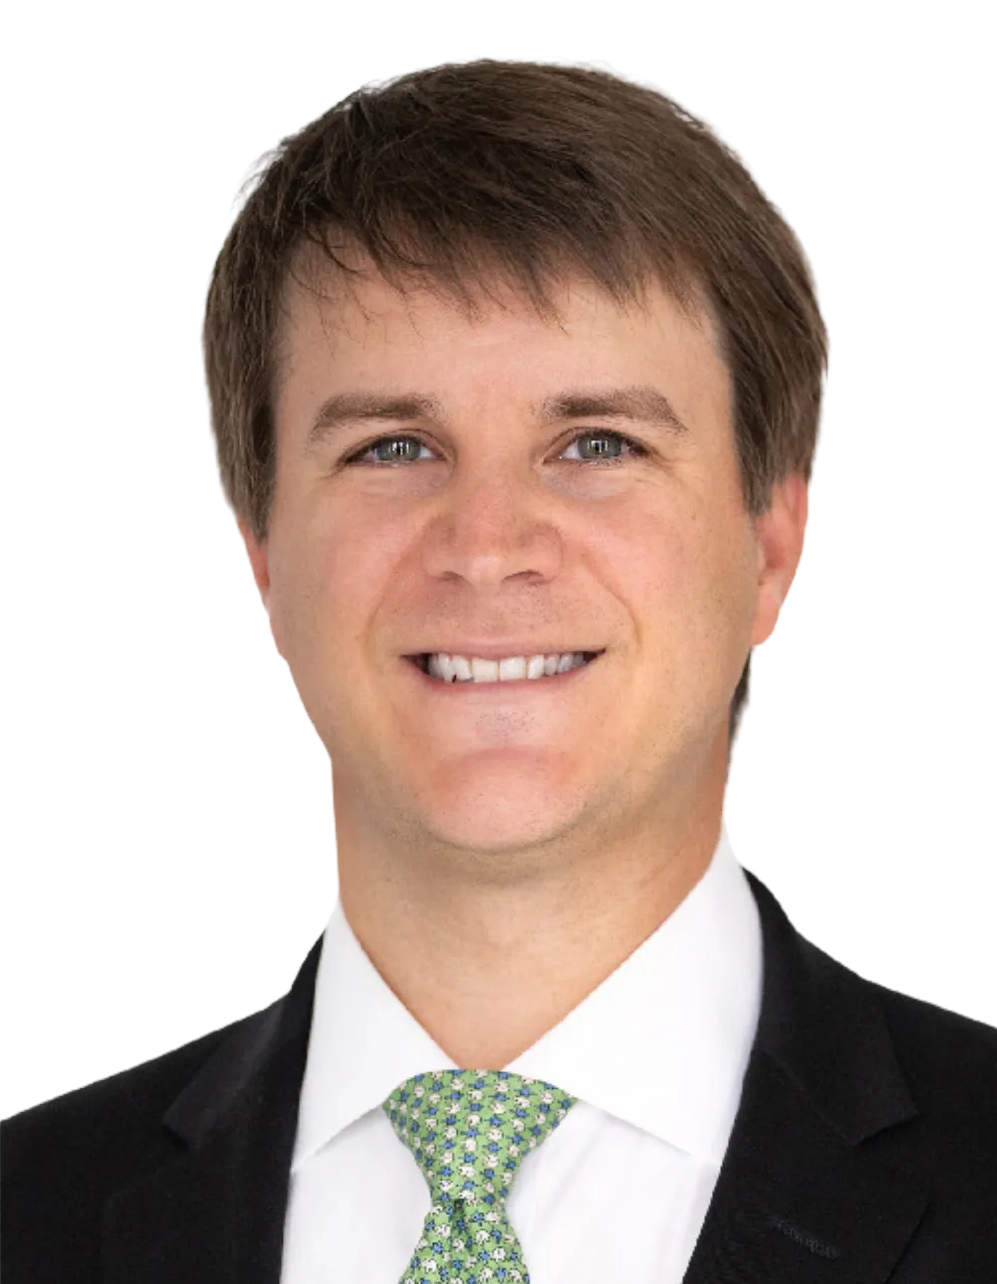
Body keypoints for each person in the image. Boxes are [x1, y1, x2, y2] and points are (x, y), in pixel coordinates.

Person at [3, 55, 994, 1284]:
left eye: (596, 443)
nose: (484, 546)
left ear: (770, 548)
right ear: (261, 552)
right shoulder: (26, 1208)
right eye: (393, 447)